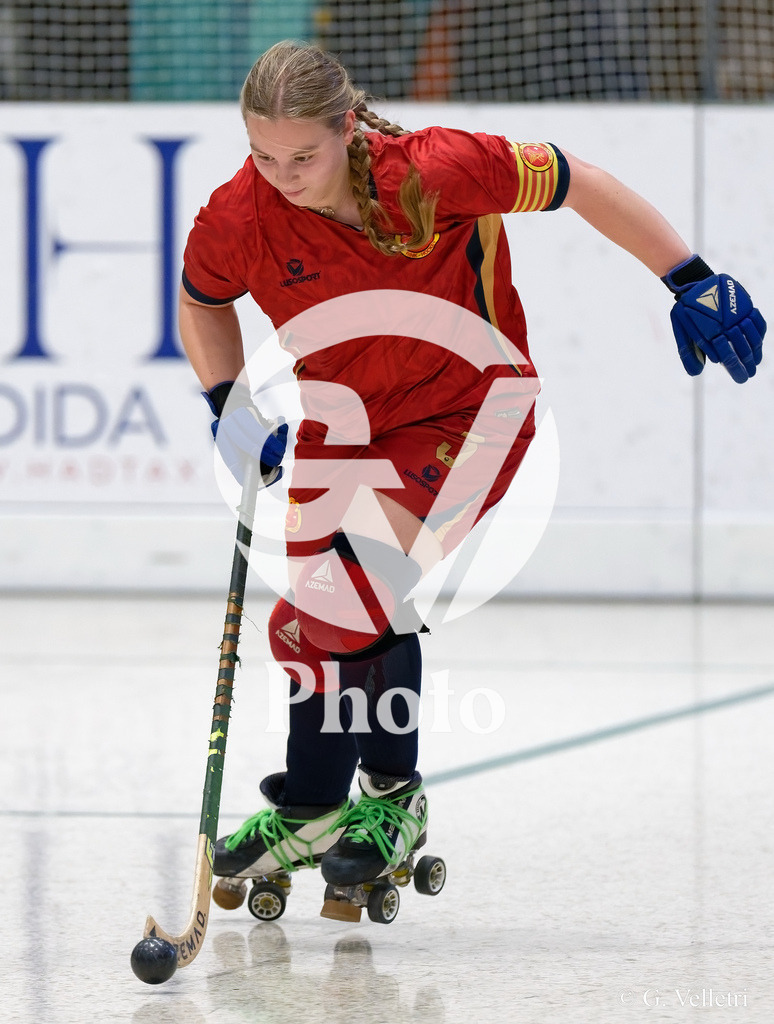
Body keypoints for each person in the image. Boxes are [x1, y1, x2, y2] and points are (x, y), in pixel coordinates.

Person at [179, 41, 765, 915]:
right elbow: (201, 299)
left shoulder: (434, 172)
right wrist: (228, 401)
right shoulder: (239, 216)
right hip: (346, 423)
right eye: (265, 156)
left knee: (349, 598)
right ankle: (310, 809)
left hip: (474, 414)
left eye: (304, 155)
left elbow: (580, 180)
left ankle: (391, 801)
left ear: (347, 128)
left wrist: (691, 278)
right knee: (309, 629)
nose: (284, 176)